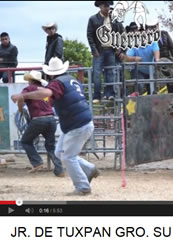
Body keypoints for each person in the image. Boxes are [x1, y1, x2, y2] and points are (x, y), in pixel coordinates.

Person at [11, 57, 100, 196]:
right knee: (59, 153)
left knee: (67, 157)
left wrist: (23, 96)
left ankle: (83, 186)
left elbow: (47, 94)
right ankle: (89, 169)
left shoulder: (56, 83)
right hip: (78, 122)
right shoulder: (72, 80)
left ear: (51, 73)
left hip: (76, 124)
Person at [16, 71, 64, 177]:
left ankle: (37, 162)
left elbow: (20, 98)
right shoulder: (45, 90)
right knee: (50, 146)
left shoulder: (29, 89)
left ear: (30, 80)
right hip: (51, 119)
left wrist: (20, 109)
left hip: (38, 119)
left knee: (26, 141)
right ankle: (59, 170)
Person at [87, 1, 125, 103]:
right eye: (105, 5)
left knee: (111, 73)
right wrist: (94, 49)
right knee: (97, 73)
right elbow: (89, 35)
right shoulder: (93, 19)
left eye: (108, 5)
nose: (107, 7)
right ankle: (97, 95)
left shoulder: (115, 19)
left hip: (111, 50)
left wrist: (119, 48)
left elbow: (121, 34)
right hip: (99, 50)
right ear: (100, 6)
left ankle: (110, 94)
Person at [148, 18, 173, 93]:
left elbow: (172, 47)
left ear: (158, 26)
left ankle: (172, 93)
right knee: (153, 79)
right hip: (155, 61)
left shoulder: (164, 34)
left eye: (154, 26)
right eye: (151, 27)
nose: (153, 29)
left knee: (172, 75)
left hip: (166, 59)